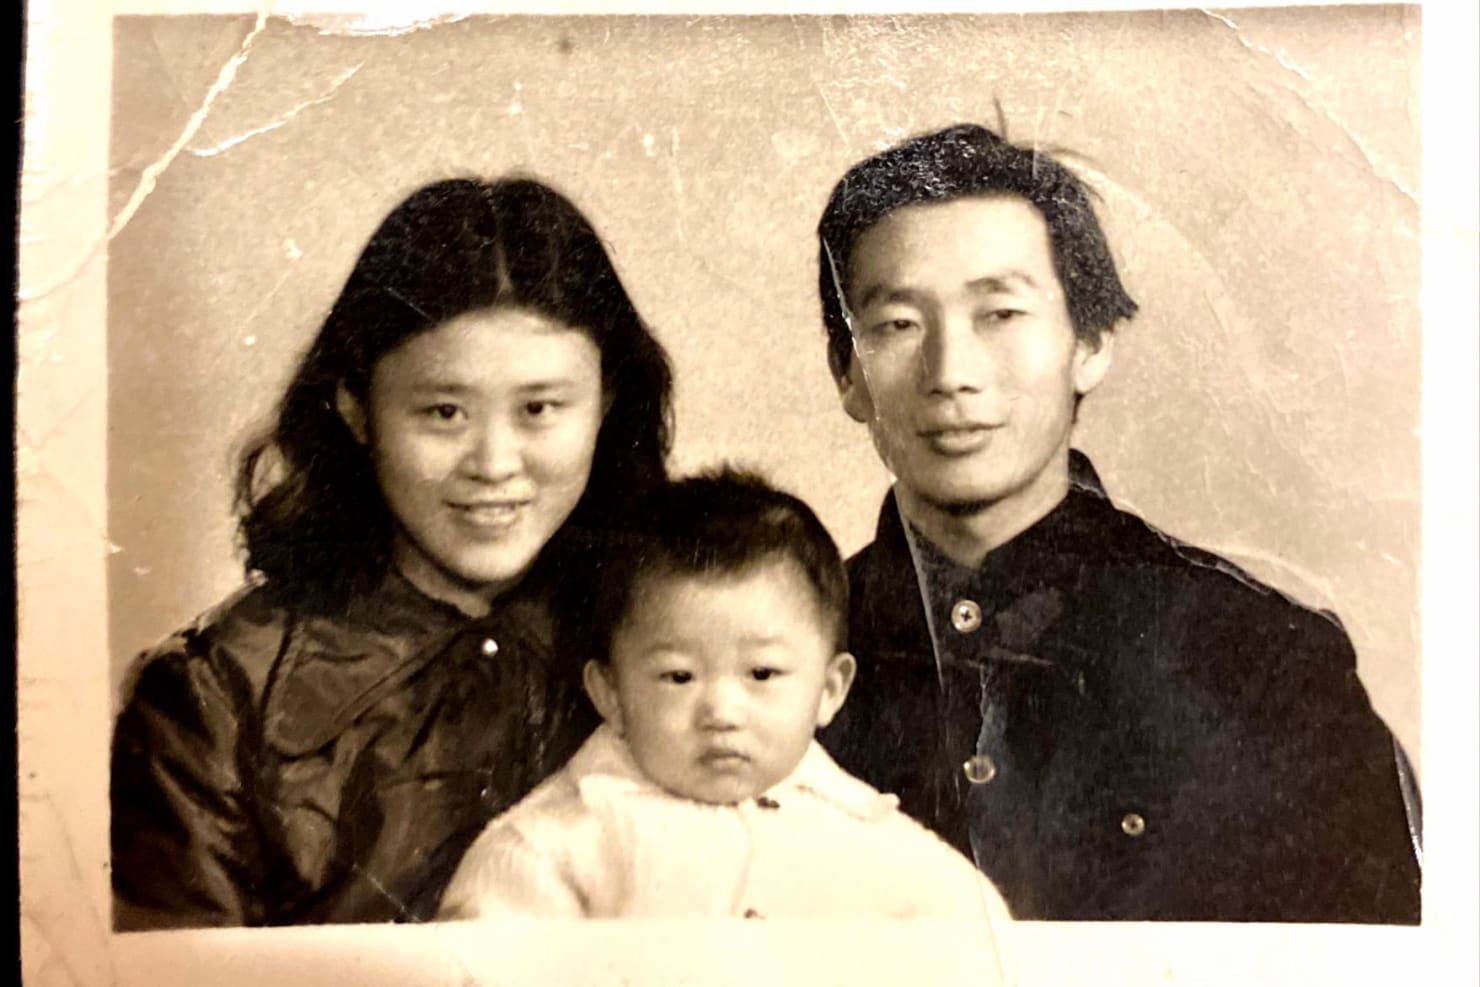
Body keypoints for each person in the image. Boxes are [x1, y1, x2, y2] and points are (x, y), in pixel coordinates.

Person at [813, 124, 1422, 923]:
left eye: (1000, 312)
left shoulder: (1262, 659)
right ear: (847, 375)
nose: (952, 374)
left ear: (1091, 343)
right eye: (897, 324)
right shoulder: (771, 662)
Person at [109, 177, 673, 929]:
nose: (495, 462)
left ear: (605, 404)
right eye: (444, 412)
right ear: (355, 409)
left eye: (540, 408)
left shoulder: (688, 640)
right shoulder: (213, 703)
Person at [438, 469, 1012, 933]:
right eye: (678, 677)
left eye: (762, 673)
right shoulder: (555, 844)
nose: (722, 712)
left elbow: (994, 952)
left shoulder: (880, 844)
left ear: (828, 691)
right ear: (609, 691)